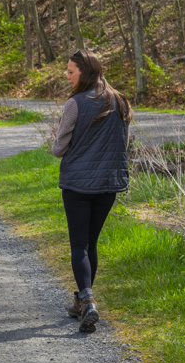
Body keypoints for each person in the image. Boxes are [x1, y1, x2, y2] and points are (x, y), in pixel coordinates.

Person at [52, 49, 131, 333]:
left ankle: (87, 301)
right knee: (91, 243)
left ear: (85, 73)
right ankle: (81, 301)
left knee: (79, 245)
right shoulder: (120, 101)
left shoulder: (74, 104)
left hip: (77, 184)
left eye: (71, 71)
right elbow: (123, 144)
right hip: (108, 184)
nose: (68, 75)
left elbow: (59, 148)